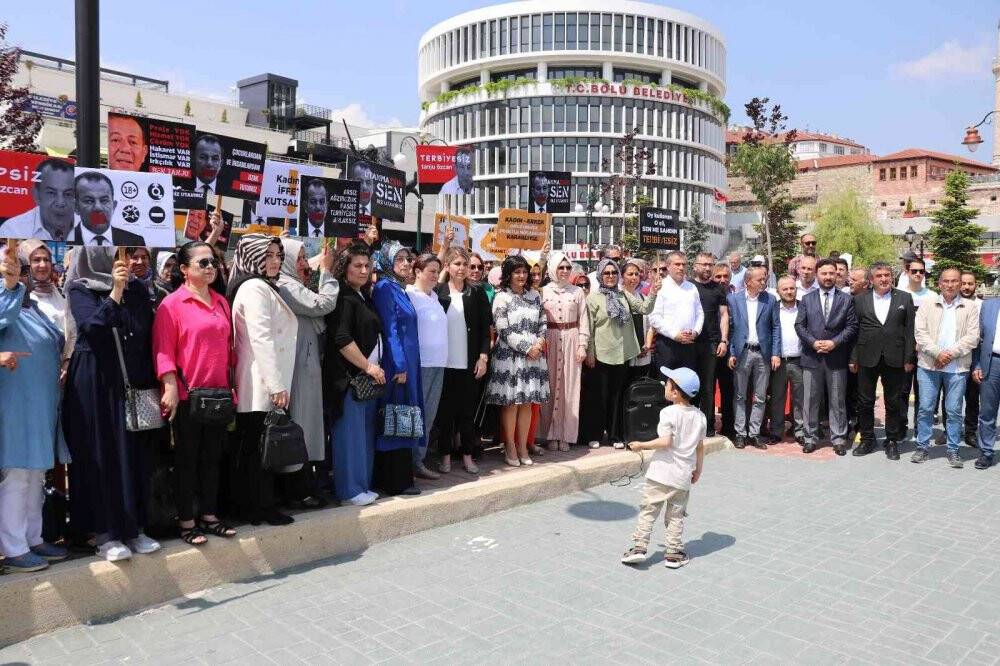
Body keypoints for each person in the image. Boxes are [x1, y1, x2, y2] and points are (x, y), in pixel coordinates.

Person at [63, 247, 160, 561]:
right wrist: (115, 291)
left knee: (130, 455)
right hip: (93, 379)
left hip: (128, 379)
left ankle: (133, 528)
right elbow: (92, 327)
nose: (114, 257)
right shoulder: (79, 287)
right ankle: (103, 533)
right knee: (100, 454)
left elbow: (143, 334)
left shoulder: (137, 289)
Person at [153, 241, 237, 545]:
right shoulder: (171, 305)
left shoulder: (221, 302)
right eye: (203, 263)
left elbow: (230, 350)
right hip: (189, 396)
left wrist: (231, 388)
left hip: (218, 395)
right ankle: (187, 521)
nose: (211, 267)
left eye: (213, 261)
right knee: (187, 460)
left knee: (213, 459)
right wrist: (171, 387)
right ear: (185, 270)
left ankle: (210, 516)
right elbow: (163, 351)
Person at [0, 244, 68, 572]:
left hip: (40, 407)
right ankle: (13, 547)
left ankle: (33, 538)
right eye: (16, 268)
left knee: (36, 475)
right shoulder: (6, 301)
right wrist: (8, 286)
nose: (20, 275)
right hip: (16, 408)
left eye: (20, 270)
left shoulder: (32, 307)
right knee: (17, 476)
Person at [228, 234, 297, 525]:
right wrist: (276, 384)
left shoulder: (261, 286)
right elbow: (261, 337)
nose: (275, 261)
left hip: (261, 381)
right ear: (253, 257)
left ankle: (258, 505)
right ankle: (258, 507)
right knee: (259, 448)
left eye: (278, 255)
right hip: (259, 383)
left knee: (259, 447)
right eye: (267, 255)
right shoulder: (254, 288)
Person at [620, 367, 705, 570]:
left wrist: (642, 445)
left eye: (667, 384)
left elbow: (665, 441)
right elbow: (700, 448)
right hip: (683, 475)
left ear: (675, 392)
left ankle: (639, 548)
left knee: (649, 510)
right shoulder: (700, 417)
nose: (663, 386)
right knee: (676, 515)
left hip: (660, 473)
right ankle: (673, 553)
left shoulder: (667, 412)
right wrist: (698, 470)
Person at [275, 238, 339, 506]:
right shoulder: (286, 285)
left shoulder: (295, 284)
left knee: (309, 425)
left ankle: (303, 487)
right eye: (299, 258)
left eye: (305, 257)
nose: (303, 263)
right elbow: (323, 304)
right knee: (301, 424)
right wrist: (326, 272)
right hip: (299, 369)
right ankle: (295, 492)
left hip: (307, 363)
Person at [325, 242, 384, 506]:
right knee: (349, 435)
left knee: (363, 434)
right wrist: (367, 365)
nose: (363, 270)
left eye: (367, 265)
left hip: (367, 380)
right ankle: (349, 490)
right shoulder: (342, 297)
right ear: (344, 268)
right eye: (357, 266)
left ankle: (361, 485)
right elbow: (342, 338)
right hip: (349, 379)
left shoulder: (363, 295)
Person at [583, 257, 657, 449]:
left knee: (617, 396)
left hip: (622, 354)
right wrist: (589, 353)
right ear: (600, 274)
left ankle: (615, 435)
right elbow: (589, 329)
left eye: (614, 272)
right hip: (600, 354)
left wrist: (654, 292)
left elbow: (644, 308)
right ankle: (595, 434)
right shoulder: (593, 298)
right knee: (598, 397)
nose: (610, 276)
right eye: (606, 273)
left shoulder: (623, 295)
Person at [911, 268, 980, 467]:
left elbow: (973, 337)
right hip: (928, 366)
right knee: (924, 409)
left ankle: (953, 449)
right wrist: (937, 354)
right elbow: (920, 333)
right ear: (939, 283)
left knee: (954, 410)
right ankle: (922, 447)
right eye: (946, 281)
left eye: (954, 281)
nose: (950, 285)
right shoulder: (927, 304)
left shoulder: (970, 307)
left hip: (957, 368)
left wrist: (949, 354)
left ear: (960, 283)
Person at [486, 255, 550, 465]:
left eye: (524, 272)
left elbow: (543, 322)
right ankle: (510, 446)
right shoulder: (501, 297)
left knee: (527, 403)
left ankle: (523, 446)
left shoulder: (535, 295)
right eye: (517, 272)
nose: (522, 276)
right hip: (511, 357)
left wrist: (538, 344)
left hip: (533, 356)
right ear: (509, 275)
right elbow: (503, 329)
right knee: (512, 403)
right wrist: (526, 348)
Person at [371, 242, 423, 495]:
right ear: (387, 262)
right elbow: (389, 329)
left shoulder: (399, 288)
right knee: (396, 416)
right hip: (396, 364)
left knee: (405, 415)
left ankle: (402, 477)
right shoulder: (384, 288)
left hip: (409, 362)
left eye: (408, 258)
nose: (406, 263)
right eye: (399, 259)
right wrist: (400, 364)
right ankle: (394, 481)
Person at [849, 262, 915, 461]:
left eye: (887, 275)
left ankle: (892, 440)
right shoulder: (860, 300)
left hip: (895, 358)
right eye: (879, 276)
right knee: (865, 402)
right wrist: (853, 358)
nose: (884, 279)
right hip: (866, 357)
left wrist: (909, 358)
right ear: (871, 280)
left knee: (893, 402)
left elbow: (909, 331)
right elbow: (855, 330)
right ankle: (868, 439)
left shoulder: (904, 298)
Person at [794, 258, 858, 455]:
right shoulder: (807, 299)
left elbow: (852, 326)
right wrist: (813, 342)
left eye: (832, 273)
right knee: (810, 400)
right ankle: (810, 437)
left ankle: (838, 438)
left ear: (836, 275)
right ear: (817, 274)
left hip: (836, 357)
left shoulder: (846, 299)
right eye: (824, 273)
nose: (828, 277)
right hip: (811, 357)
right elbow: (800, 325)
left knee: (837, 400)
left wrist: (834, 342)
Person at [435, 247, 492, 471]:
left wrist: (483, 358)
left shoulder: (476, 293)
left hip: (469, 364)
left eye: (465, 264)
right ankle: (445, 456)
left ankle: (467, 455)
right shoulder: (437, 292)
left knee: (468, 413)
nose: (462, 268)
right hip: (444, 364)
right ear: (447, 266)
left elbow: (484, 330)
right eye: (457, 263)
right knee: (446, 414)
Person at [540, 252, 590, 452]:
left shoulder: (577, 292)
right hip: (550, 338)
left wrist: (582, 345)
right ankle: (549, 434)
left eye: (568, 268)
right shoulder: (543, 292)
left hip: (571, 337)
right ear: (553, 269)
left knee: (570, 387)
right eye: (560, 267)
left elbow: (584, 319)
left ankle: (566, 435)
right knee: (550, 386)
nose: (564, 271)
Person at [727, 266, 780, 449]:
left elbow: (775, 327)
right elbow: (731, 329)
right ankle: (741, 433)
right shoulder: (734, 300)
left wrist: (775, 353)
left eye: (764, 279)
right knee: (740, 395)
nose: (763, 282)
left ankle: (755, 433)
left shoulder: (770, 300)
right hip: (743, 353)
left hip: (763, 354)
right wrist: (731, 353)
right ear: (748, 282)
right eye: (759, 279)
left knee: (760, 396)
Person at [405, 254, 447, 479]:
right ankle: (410, 462)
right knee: (417, 415)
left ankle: (418, 460)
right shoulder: (410, 295)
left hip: (438, 363)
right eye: (430, 270)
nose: (434, 275)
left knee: (429, 416)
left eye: (437, 271)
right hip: (420, 365)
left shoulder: (434, 297)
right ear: (417, 272)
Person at [691, 252, 728, 436]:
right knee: (689, 385)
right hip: (689, 343)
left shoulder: (718, 289)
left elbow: (723, 315)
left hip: (711, 342)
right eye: (704, 264)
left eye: (710, 264)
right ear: (695, 265)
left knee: (708, 386)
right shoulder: (688, 286)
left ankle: (708, 426)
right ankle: (690, 425)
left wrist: (723, 339)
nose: (707, 268)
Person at [649, 251, 703, 376]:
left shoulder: (692, 287)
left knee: (686, 389)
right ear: (668, 266)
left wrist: (695, 332)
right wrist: (675, 335)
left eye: (684, 264)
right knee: (666, 387)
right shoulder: (660, 287)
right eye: (677, 264)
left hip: (689, 344)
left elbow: (700, 313)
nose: (681, 267)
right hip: (667, 345)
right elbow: (654, 318)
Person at [766, 276, 805, 444]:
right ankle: (776, 431)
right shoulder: (772, 308)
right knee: (777, 397)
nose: (789, 292)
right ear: (778, 291)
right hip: (779, 361)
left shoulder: (804, 307)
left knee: (800, 398)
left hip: (800, 360)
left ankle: (800, 431)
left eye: (792, 288)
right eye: (785, 289)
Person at [0, 158, 76, 242]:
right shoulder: (13, 229)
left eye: (68, 194)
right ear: (36, 195)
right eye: (51, 193)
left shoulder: (86, 226)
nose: (60, 202)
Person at [72, 171, 146, 247]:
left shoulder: (135, 241)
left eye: (104, 200)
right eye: (89, 201)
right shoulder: (63, 240)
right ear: (75, 207)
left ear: (114, 206)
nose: (98, 207)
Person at [972, 295, 1000, 469]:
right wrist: (976, 364)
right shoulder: (988, 305)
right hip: (991, 363)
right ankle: (986, 452)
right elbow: (978, 337)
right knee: (987, 412)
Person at [712, 263, 736, 438]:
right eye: (718, 276)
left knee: (729, 390)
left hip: (731, 351)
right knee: (708, 389)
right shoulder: (707, 294)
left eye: (725, 276)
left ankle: (729, 427)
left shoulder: (737, 296)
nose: (722, 280)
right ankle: (709, 426)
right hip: (711, 349)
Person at [622, 258, 654, 383]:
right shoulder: (618, 298)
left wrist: (647, 345)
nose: (634, 277)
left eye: (636, 274)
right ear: (622, 276)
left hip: (643, 354)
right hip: (626, 355)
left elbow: (650, 326)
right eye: (630, 274)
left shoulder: (644, 298)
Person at [960, 271, 981, 446]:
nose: (966, 287)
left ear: (976, 285)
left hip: (974, 358)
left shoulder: (983, 305)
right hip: (954, 358)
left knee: (972, 398)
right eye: (964, 283)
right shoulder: (950, 303)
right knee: (951, 397)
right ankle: (948, 430)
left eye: (970, 283)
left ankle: (970, 432)